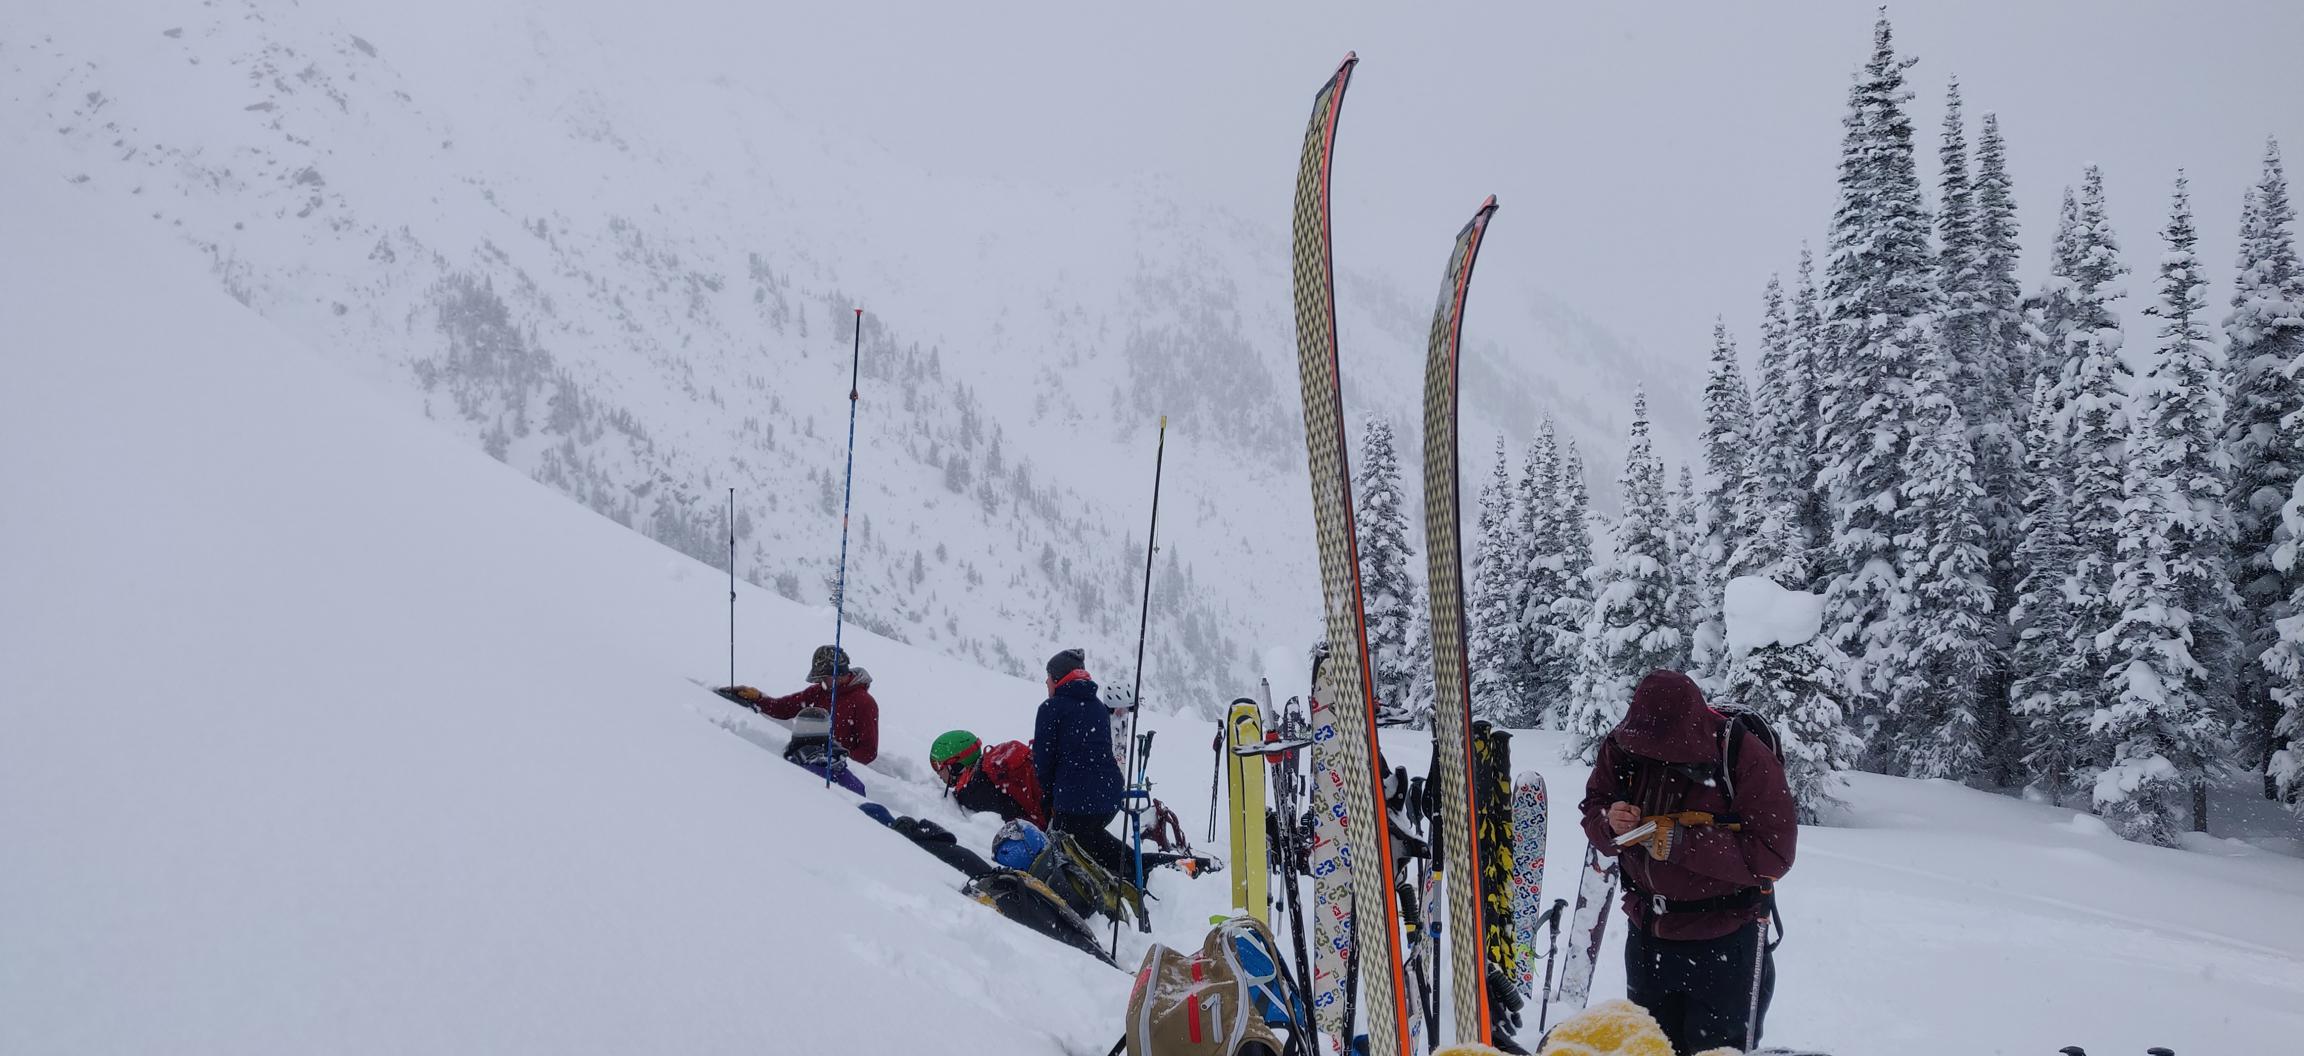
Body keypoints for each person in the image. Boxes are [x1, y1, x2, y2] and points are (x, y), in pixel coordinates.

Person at [1578, 669, 1796, 1055]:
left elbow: (1774, 854)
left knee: (1716, 1051)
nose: (1655, 757)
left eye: (1666, 751)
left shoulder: (1742, 755)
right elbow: (1594, 804)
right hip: (1647, 935)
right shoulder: (1625, 744)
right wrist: (1609, 824)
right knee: (1647, 1048)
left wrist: (1681, 843)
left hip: (1723, 942)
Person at [1031, 648, 1134, 880]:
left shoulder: (1051, 709)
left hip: (1076, 800)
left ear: (1058, 678)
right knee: (1089, 837)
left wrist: (1048, 799)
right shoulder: (1097, 706)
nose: (1046, 681)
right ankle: (1135, 867)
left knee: (1070, 843)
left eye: (1049, 676)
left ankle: (1133, 870)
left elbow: (1044, 762)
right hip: (1110, 797)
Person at [726, 645, 879, 766]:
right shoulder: (820, 691)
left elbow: (868, 752)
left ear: (838, 675)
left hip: (834, 771)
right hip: (808, 760)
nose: (820, 682)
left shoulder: (864, 703)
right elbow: (785, 708)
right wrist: (757, 698)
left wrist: (838, 760)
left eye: (823, 678)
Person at [930, 730, 1048, 829]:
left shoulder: (972, 793)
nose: (938, 772)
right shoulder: (989, 767)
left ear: (955, 766)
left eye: (938, 765)